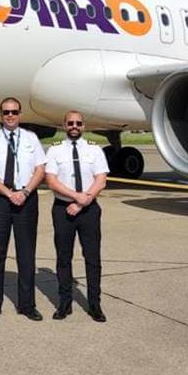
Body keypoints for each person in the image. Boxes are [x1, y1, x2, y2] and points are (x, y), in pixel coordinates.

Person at [0, 97, 46, 323]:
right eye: (6, 112)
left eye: (14, 112)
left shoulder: (31, 138)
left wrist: (25, 192)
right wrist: (8, 193)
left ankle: (27, 305)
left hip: (26, 200)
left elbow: (40, 169)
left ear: (20, 114)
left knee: (26, 255)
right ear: (0, 115)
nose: (10, 115)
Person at [44, 111, 109, 322]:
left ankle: (94, 304)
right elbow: (51, 181)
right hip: (63, 209)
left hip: (89, 210)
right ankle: (64, 304)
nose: (74, 126)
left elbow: (101, 179)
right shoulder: (54, 151)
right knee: (64, 258)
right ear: (64, 125)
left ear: (83, 126)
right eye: (70, 123)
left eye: (78, 123)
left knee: (92, 259)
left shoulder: (94, 149)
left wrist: (84, 200)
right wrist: (75, 198)